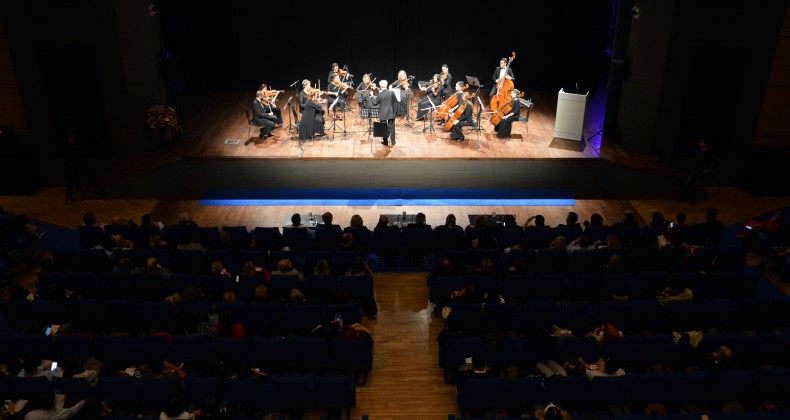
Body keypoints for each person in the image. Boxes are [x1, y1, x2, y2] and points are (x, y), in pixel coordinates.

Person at [682, 138, 714, 205]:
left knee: (697, 186)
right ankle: (685, 198)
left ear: (705, 144)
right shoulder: (700, 151)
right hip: (694, 170)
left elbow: (714, 162)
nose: (700, 143)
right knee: (687, 183)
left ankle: (694, 201)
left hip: (700, 172)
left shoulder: (709, 153)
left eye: (702, 142)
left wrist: (709, 169)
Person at [371, 80, 396, 146]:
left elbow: (374, 103)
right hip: (391, 112)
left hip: (383, 113)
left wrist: (372, 96)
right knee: (392, 127)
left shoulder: (380, 95)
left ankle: (385, 142)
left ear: (380, 86)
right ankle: (393, 142)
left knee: (383, 127)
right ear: (387, 85)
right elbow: (395, 100)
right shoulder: (391, 92)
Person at [62, 129, 82, 202]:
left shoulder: (75, 141)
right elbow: (64, 152)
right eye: (69, 133)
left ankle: (79, 192)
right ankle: (72, 196)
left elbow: (79, 147)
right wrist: (70, 143)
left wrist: (76, 141)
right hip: (68, 164)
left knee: (77, 178)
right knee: (70, 181)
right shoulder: (64, 142)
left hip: (75, 162)